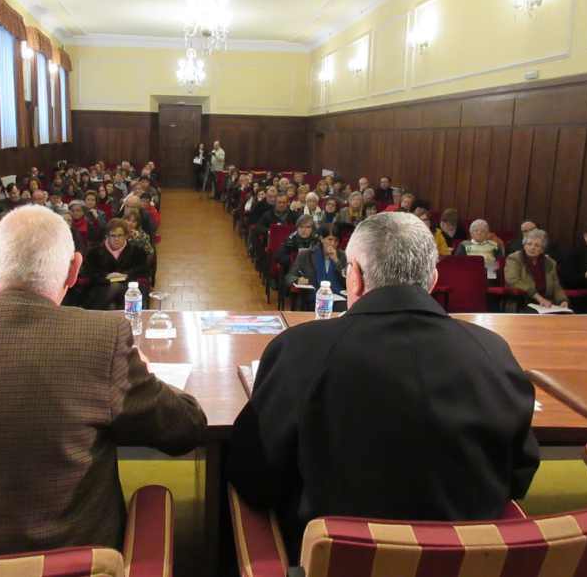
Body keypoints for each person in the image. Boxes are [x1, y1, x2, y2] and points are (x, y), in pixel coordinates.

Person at [0, 205, 206, 559]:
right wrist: (144, 373)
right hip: (76, 565)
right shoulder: (103, 340)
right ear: (74, 269)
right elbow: (184, 429)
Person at [228, 212, 539, 560]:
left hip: (337, 561)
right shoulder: (492, 350)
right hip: (465, 561)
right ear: (433, 279)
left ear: (355, 277)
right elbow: (519, 473)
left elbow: (253, 472)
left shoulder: (299, 349)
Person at [82, 219, 151, 310]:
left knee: (121, 293)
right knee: (112, 301)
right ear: (107, 236)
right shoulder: (94, 253)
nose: (116, 239)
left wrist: (126, 275)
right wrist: (106, 276)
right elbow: (89, 273)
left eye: (120, 235)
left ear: (126, 236)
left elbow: (143, 271)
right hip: (102, 288)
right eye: (113, 235)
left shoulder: (137, 252)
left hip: (128, 287)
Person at [284, 223, 347, 311]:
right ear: (321, 239)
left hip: (338, 298)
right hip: (314, 298)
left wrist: (336, 261)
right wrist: (297, 280)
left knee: (345, 309)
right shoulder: (306, 255)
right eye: (330, 239)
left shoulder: (343, 256)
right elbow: (289, 277)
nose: (333, 244)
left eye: (336, 241)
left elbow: (348, 281)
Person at [504, 229, 568, 311]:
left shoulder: (550, 262)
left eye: (537, 245)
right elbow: (512, 281)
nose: (532, 248)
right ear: (524, 246)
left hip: (546, 303)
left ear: (542, 249)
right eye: (529, 244)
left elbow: (556, 285)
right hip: (523, 301)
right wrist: (538, 297)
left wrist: (562, 300)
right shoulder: (514, 258)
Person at [274, 215, 318, 280]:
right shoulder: (291, 239)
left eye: (307, 227)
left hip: (313, 272)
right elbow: (278, 256)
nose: (304, 230)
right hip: (294, 272)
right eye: (301, 227)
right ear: (297, 228)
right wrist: (293, 259)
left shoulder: (316, 240)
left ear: (312, 229)